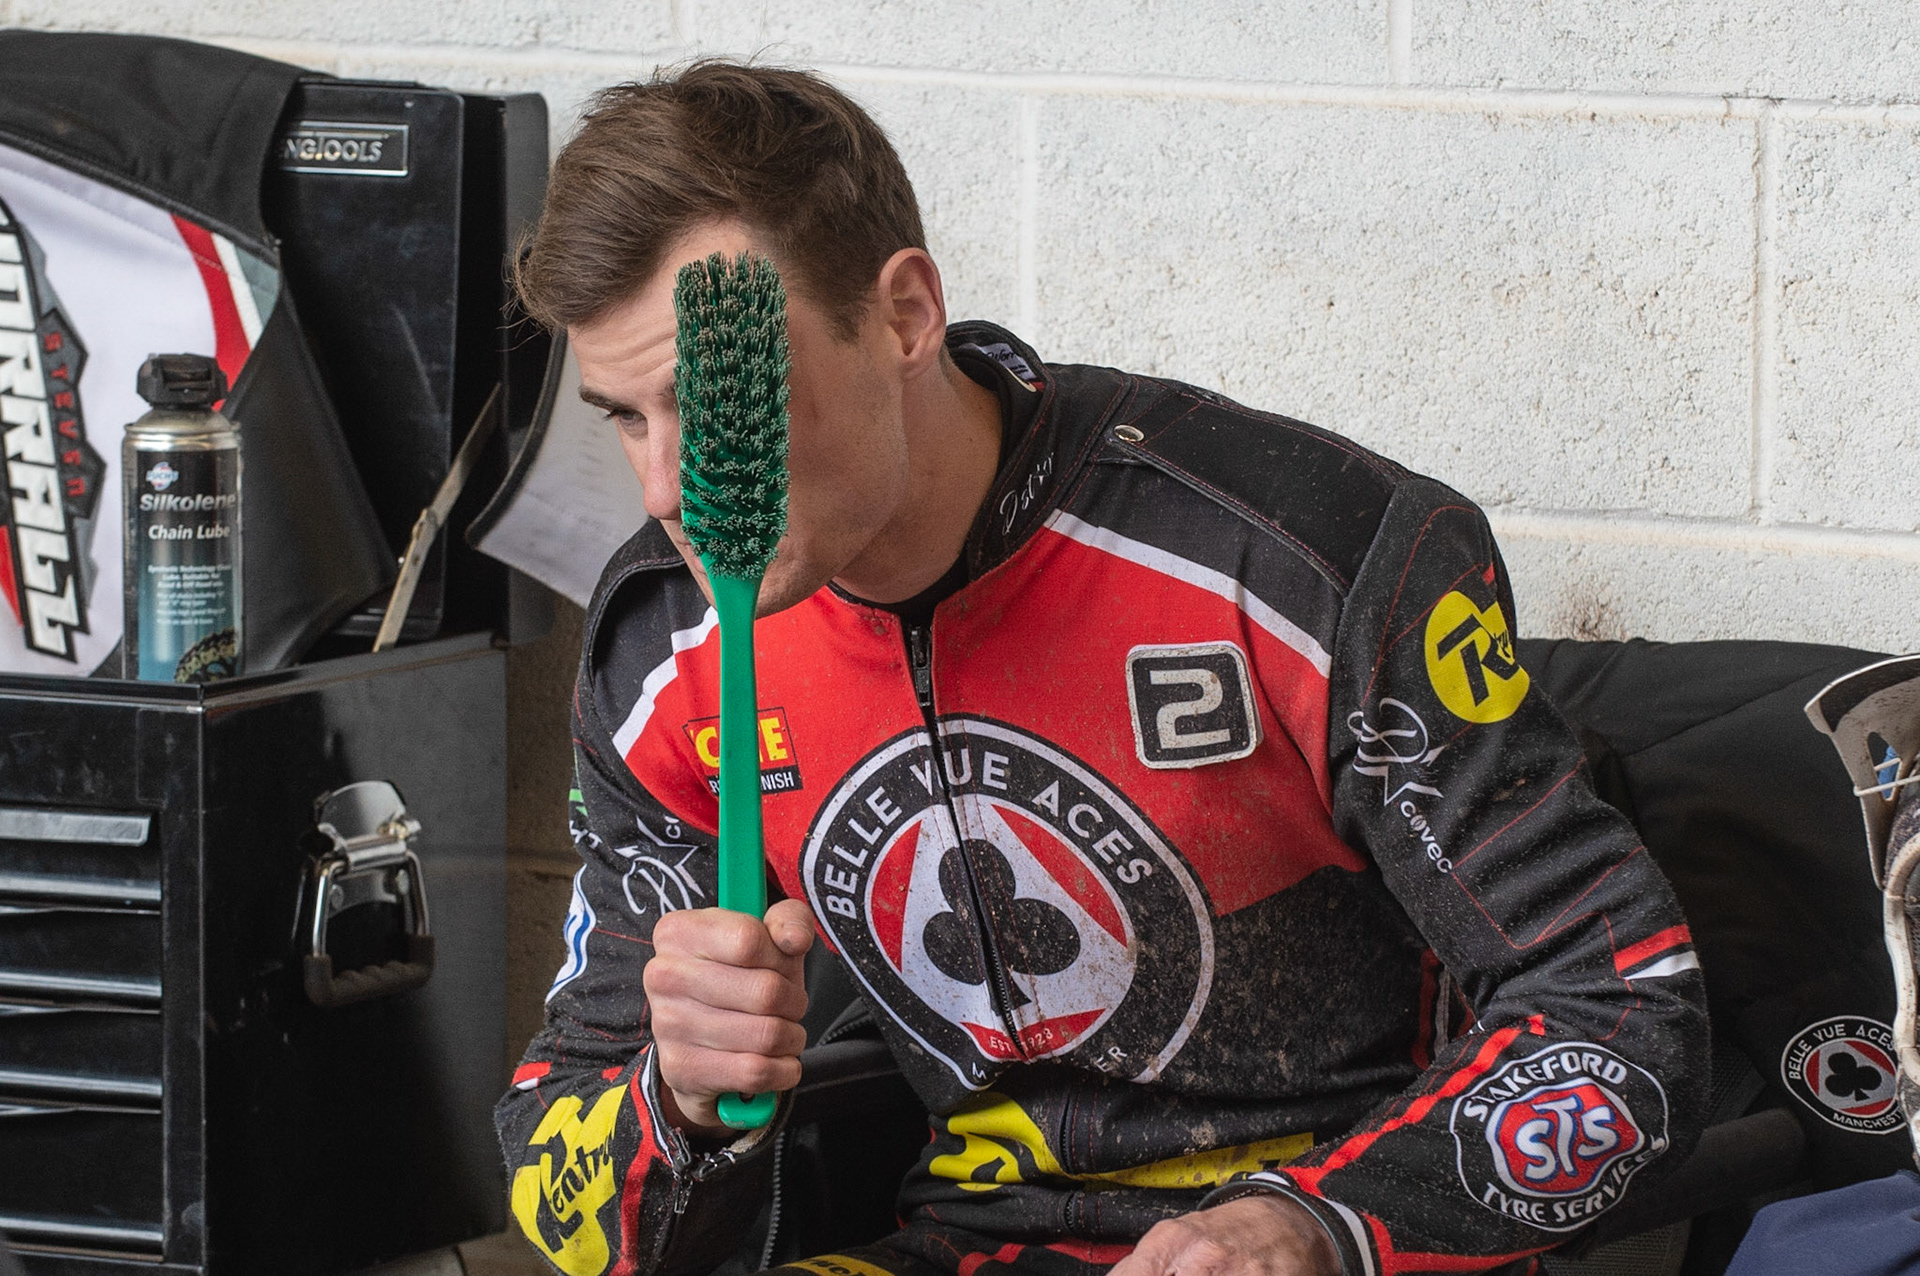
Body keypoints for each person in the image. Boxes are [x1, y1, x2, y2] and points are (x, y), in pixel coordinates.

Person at [498, 60, 1710, 1276]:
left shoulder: (1309, 555)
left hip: (1350, 1232)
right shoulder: (666, 649)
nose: (667, 493)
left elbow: (1627, 1009)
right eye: (625, 417)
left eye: (713, 404)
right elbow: (563, 1178)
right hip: (973, 1243)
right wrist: (680, 1097)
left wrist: (1319, 1227)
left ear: (906, 316)